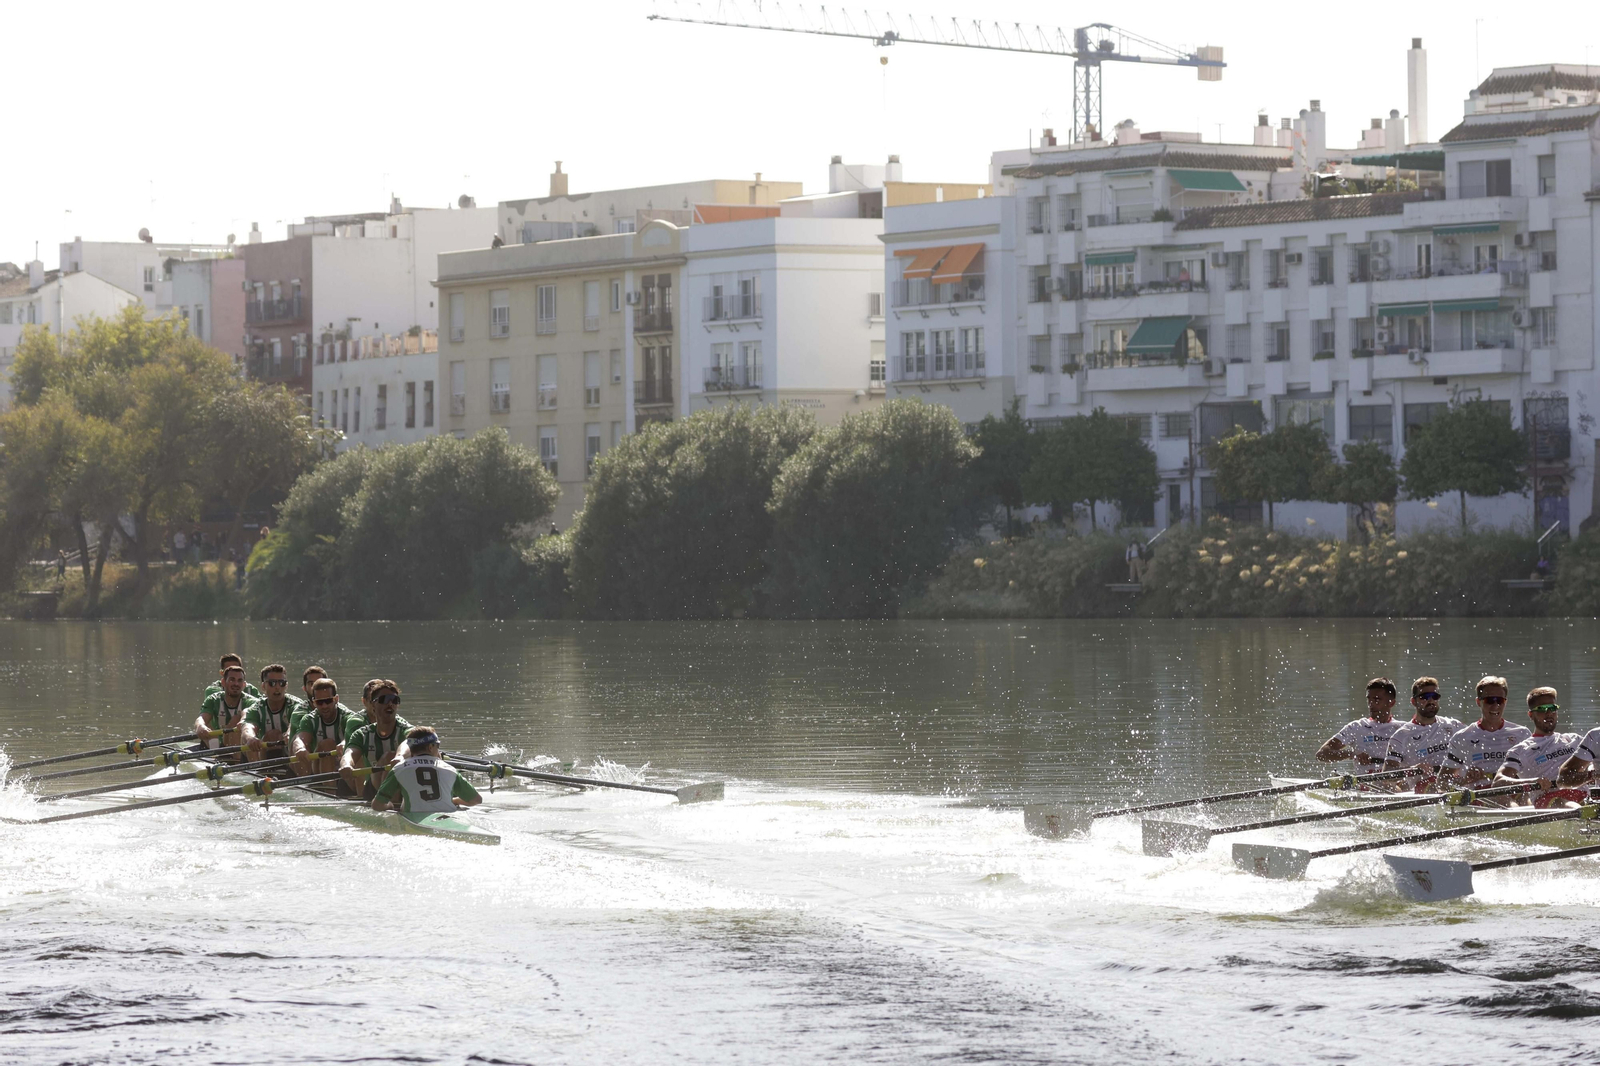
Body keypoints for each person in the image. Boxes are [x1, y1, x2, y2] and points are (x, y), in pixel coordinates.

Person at [1495, 686, 1582, 806]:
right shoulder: (1520, 751)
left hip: (1582, 796)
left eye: (1552, 708)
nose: (1549, 713)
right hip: (1551, 800)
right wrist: (1532, 782)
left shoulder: (1575, 740)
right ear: (1531, 715)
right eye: (1542, 709)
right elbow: (1498, 781)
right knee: (1564, 803)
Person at [1443, 675, 1532, 785]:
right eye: (1489, 701)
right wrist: (1465, 779)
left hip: (1512, 792)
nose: (1495, 706)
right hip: (1477, 793)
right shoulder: (1462, 737)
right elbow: (1442, 782)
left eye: (1499, 701)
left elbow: (1534, 772)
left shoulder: (1522, 734)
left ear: (1505, 702)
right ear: (1478, 702)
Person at [372, 726, 483, 814]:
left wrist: (390, 806)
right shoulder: (450, 770)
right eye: (437, 745)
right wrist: (455, 800)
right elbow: (476, 800)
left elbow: (377, 805)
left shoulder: (399, 769)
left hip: (413, 819)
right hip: (448, 817)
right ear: (430, 747)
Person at [1382, 676, 1463, 786]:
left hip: (1456, 785)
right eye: (1424, 697)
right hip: (1423, 788)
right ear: (1413, 702)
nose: (1431, 701)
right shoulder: (1402, 736)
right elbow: (1387, 774)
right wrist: (1412, 769)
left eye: (1435, 696)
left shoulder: (1454, 726)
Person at [341, 679, 413, 797]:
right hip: (373, 789)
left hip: (403, 786)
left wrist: (400, 756)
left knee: (392, 757)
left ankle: (391, 802)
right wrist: (346, 764)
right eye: (384, 700)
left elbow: (409, 741)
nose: (390, 704)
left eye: (394, 700)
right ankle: (386, 802)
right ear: (373, 705)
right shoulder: (362, 734)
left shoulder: (406, 730)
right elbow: (349, 753)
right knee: (388, 757)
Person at [1315, 678, 1403, 772]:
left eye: (1376, 700)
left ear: (1391, 703)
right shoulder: (1356, 727)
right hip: (1364, 781)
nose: (1371, 704)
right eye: (1369, 699)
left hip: (1395, 781)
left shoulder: (1402, 729)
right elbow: (1321, 754)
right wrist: (1352, 754)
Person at [290, 677, 362, 781]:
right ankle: (328, 788)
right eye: (320, 702)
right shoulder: (309, 719)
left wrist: (344, 743)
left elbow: (355, 737)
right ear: (314, 702)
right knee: (327, 744)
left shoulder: (348, 717)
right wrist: (300, 748)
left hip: (346, 767)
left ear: (336, 699)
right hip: (318, 768)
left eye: (328, 701)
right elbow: (299, 739)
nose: (324, 706)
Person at [241, 663, 304, 764]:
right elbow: (247, 726)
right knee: (268, 736)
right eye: (272, 683)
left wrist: (289, 733)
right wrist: (250, 738)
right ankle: (258, 769)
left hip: (290, 755)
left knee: (277, 735)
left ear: (286, 686)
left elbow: (295, 722)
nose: (277, 687)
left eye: (282, 683)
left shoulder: (297, 705)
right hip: (264, 754)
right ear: (263, 686)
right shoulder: (257, 708)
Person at [195, 664, 257, 754]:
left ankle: (234, 759)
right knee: (206, 723)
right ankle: (217, 752)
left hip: (243, 748)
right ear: (223, 682)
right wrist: (200, 726)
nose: (236, 684)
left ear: (244, 685)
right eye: (232, 680)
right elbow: (201, 718)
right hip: (218, 744)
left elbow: (247, 712)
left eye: (239, 681)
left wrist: (243, 720)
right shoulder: (213, 699)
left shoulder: (251, 701)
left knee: (236, 720)